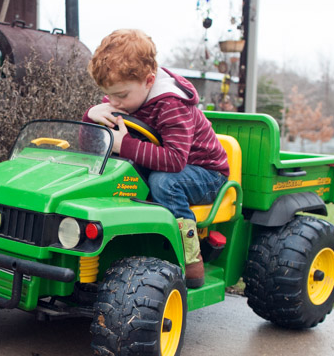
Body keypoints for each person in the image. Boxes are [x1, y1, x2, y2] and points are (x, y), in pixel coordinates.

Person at [83, 29, 228, 288]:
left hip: (205, 173)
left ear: (149, 80)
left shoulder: (171, 104)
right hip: (162, 164)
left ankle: (190, 258)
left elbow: (175, 161)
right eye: (108, 95)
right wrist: (92, 115)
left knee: (164, 182)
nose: (113, 102)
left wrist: (124, 145)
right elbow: (93, 149)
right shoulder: (127, 96)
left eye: (121, 96)